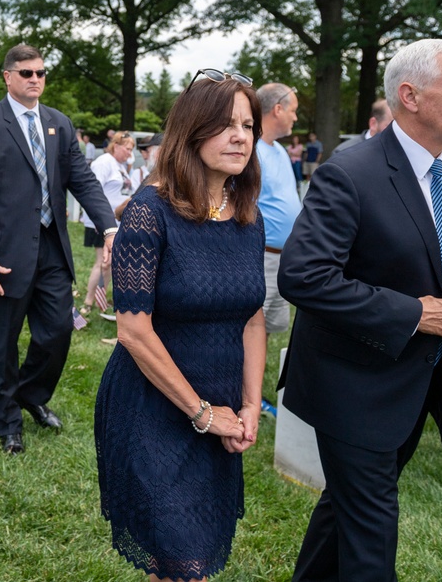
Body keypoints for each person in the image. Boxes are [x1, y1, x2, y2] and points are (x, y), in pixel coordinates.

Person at [278, 39, 442, 580]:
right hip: (351, 384)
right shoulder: (350, 172)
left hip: (417, 386)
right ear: (410, 96)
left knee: (347, 508)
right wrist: (415, 315)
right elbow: (304, 276)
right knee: (372, 533)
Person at [95, 69, 265, 582]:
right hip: (155, 408)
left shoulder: (247, 217)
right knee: (181, 561)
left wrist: (251, 404)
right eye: (226, 124)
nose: (241, 136)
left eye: (249, 125)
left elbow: (253, 318)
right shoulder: (151, 211)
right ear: (192, 131)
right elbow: (133, 330)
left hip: (222, 408)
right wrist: (201, 413)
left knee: (188, 563)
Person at [0, 44, 117, 454]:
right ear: (7, 77)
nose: (35, 80)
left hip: (51, 249)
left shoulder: (58, 124)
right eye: (26, 73)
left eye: (41, 72)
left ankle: (29, 394)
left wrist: (110, 226)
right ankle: (6, 421)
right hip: (2, 255)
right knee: (3, 341)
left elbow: (82, 181)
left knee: (58, 331)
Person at [255, 83, 302, 341]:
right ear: (277, 109)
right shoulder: (251, 151)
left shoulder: (280, 150)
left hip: (283, 259)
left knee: (270, 327)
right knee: (250, 328)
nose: (295, 117)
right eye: (293, 110)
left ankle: (254, 378)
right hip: (260, 259)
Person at [79, 132, 134, 316]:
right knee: (101, 262)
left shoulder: (120, 165)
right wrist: (99, 220)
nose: (130, 153)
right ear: (116, 145)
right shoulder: (103, 162)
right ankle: (88, 300)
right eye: (127, 148)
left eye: (132, 150)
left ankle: (100, 299)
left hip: (115, 223)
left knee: (110, 263)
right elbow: (93, 191)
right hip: (101, 222)